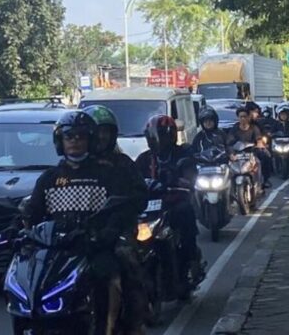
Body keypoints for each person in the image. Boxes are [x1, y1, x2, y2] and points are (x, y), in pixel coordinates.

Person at [24, 110, 147, 333]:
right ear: (60, 141)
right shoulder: (49, 178)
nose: (75, 142)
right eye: (69, 137)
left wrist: (109, 230)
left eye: (81, 136)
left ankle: (110, 327)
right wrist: (18, 229)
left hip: (94, 247)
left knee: (114, 277)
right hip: (55, 251)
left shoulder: (109, 173)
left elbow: (122, 208)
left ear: (90, 140)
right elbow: (33, 212)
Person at [82, 104, 148, 334]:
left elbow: (139, 198)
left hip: (116, 233)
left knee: (126, 262)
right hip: (79, 234)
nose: (101, 137)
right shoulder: (75, 166)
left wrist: (116, 223)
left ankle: (129, 322)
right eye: (96, 132)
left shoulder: (123, 165)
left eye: (105, 132)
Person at [135, 115, 202, 298]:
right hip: (149, 206)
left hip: (174, 201)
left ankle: (190, 258)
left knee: (185, 212)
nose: (158, 141)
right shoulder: (143, 159)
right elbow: (132, 180)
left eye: (162, 137)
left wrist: (182, 180)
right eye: (154, 137)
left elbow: (191, 175)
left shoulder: (182, 154)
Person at [226, 106, 272, 187]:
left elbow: (259, 139)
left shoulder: (254, 128)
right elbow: (230, 142)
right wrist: (231, 153)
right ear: (238, 118)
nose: (243, 118)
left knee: (265, 157)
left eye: (245, 116)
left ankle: (264, 180)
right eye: (241, 117)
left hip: (252, 152)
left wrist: (259, 145)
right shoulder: (234, 129)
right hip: (238, 153)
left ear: (248, 117)